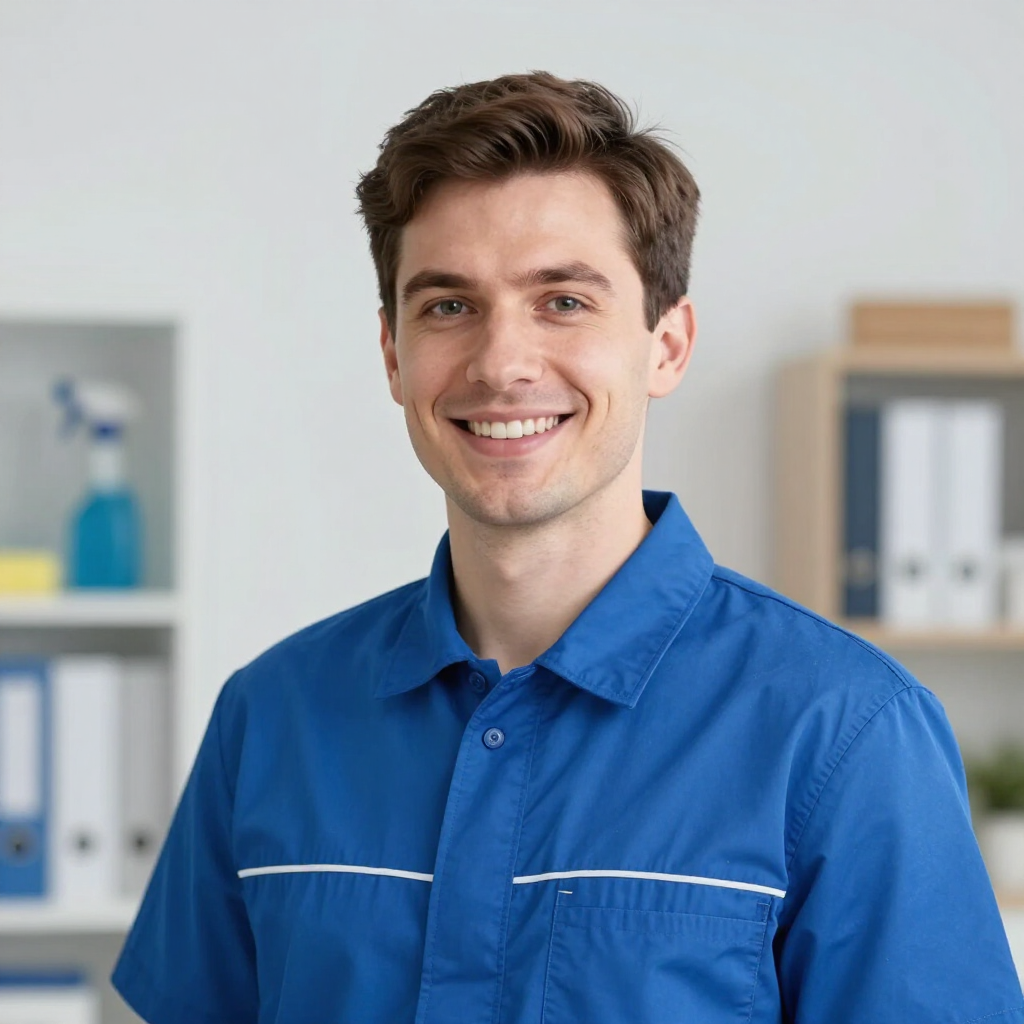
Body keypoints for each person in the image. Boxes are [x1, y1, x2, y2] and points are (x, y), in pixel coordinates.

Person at [112, 71, 1024, 1023]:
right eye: (449, 306)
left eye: (563, 302)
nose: (503, 364)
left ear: (666, 345)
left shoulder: (846, 731)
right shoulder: (271, 717)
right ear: (393, 353)